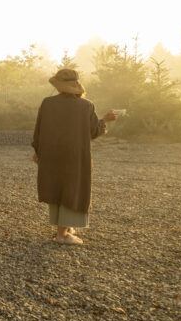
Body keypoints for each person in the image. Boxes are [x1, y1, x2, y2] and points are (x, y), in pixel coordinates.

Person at [31, 69, 117, 245]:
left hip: (50, 152)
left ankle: (65, 227)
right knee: (72, 188)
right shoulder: (86, 105)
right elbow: (92, 132)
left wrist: (37, 151)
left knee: (56, 186)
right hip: (74, 155)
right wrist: (105, 120)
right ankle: (61, 236)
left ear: (59, 86)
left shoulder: (47, 103)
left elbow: (39, 130)